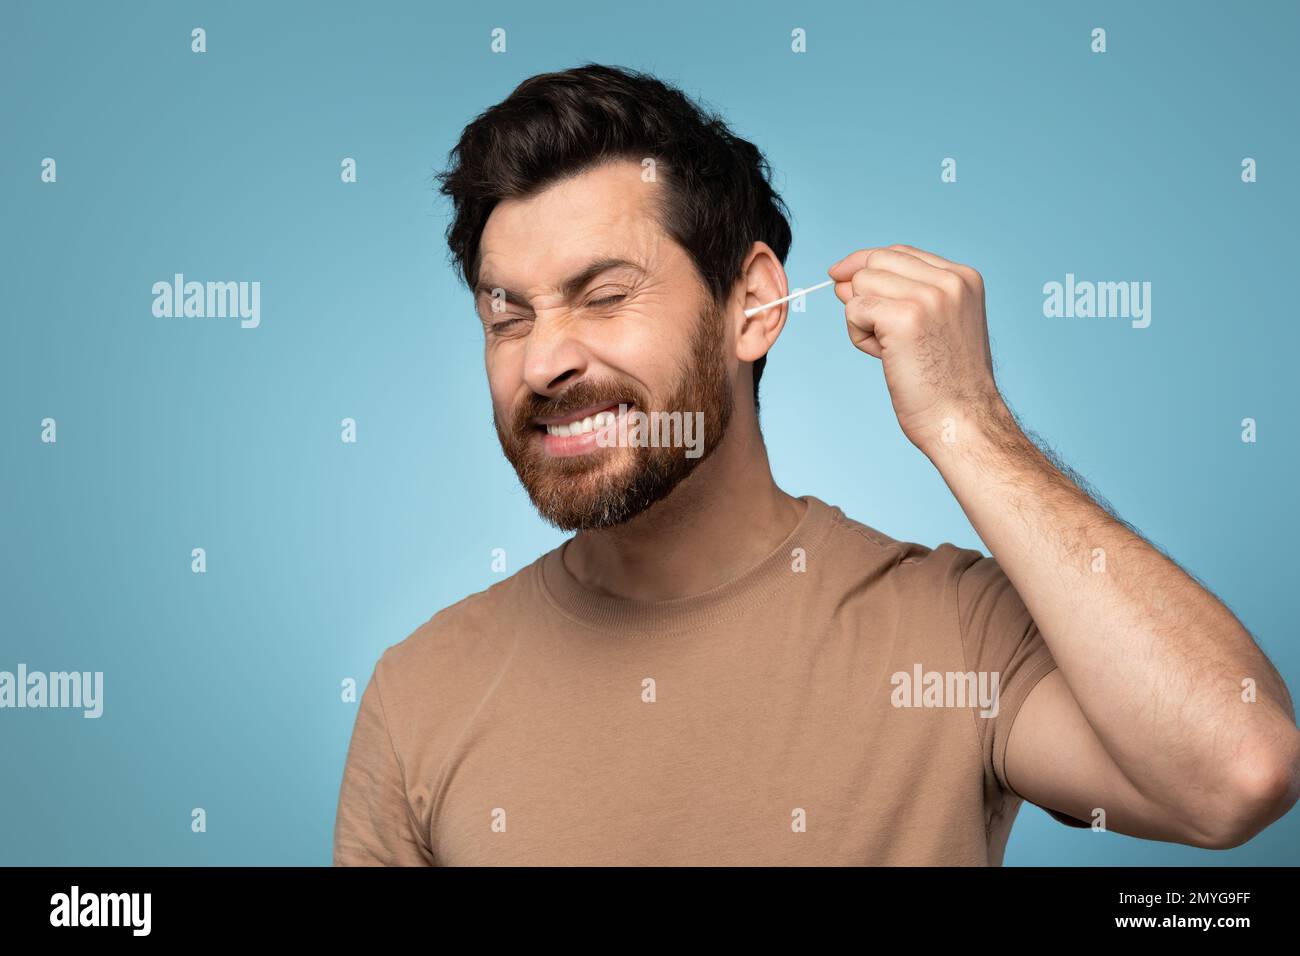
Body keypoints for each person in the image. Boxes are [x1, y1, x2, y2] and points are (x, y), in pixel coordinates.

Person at [333, 63, 1299, 865]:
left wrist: (969, 421)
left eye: (604, 295)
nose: (543, 361)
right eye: (509, 317)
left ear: (754, 305)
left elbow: (1236, 775)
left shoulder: (953, 636)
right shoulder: (419, 691)